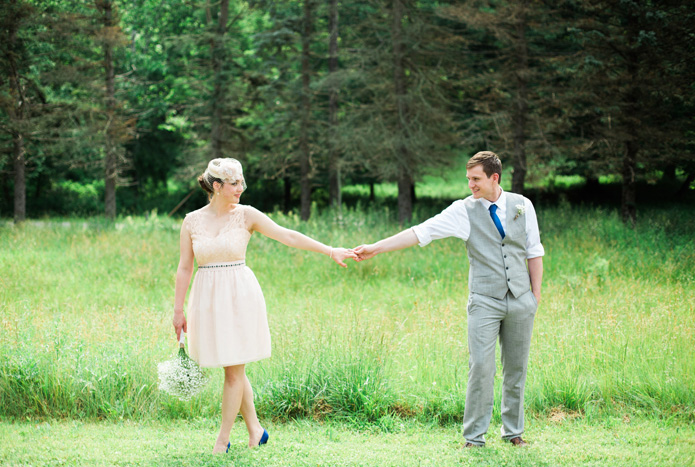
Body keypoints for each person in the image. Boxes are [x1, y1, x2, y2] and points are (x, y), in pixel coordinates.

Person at [354, 151, 544, 448]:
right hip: (485, 301)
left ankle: (514, 432)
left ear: (495, 178)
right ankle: (474, 437)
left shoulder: (523, 206)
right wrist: (376, 248)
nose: (470, 185)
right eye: (468, 179)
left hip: (521, 300)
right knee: (481, 366)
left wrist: (535, 297)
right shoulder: (463, 211)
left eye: (476, 179)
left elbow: (534, 251)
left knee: (516, 369)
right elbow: (421, 232)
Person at [172, 158, 357, 454]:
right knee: (232, 366)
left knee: (234, 370)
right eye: (234, 183)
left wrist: (329, 250)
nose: (241, 188)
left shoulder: (247, 215)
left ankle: (222, 440)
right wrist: (178, 309)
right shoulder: (192, 221)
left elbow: (288, 235)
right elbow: (184, 267)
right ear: (216, 186)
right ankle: (256, 430)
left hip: (238, 295)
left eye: (242, 182)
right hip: (206, 298)